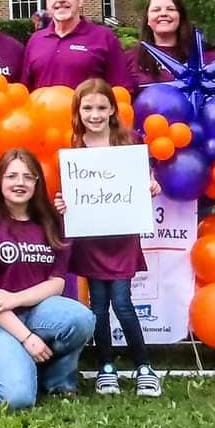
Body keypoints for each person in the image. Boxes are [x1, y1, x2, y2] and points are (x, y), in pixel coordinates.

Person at [0, 148, 95, 407]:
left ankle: (56, 380)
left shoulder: (51, 223)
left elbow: (56, 284)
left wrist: (15, 298)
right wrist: (26, 338)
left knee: (81, 318)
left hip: (38, 313)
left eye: (28, 177)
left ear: (37, 183)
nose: (19, 183)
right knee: (18, 400)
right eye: (12, 176)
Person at [66, 78, 162, 397]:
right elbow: (71, 193)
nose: (95, 114)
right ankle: (106, 368)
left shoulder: (128, 143)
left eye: (101, 107)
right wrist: (64, 202)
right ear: (78, 112)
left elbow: (143, 181)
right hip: (91, 240)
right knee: (97, 307)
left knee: (122, 303)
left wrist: (151, 186)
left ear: (112, 110)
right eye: (88, 108)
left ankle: (143, 367)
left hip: (121, 238)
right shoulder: (74, 148)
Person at [21, 0, 131, 92]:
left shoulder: (104, 37)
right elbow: (25, 92)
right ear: (47, 1)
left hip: (85, 111)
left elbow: (121, 91)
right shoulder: (36, 41)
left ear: (80, 0)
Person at [127, 0, 215, 88]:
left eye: (170, 9)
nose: (163, 13)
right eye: (156, 10)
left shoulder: (207, 58)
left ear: (181, 17)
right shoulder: (130, 59)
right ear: (147, 20)